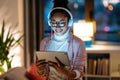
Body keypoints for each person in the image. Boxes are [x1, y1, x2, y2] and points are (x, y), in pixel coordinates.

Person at [28, 0, 86, 80]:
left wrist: (67, 73)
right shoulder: (44, 42)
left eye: (61, 23)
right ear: (49, 22)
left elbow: (79, 72)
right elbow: (44, 73)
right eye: (54, 23)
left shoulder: (78, 43)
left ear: (69, 22)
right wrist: (40, 70)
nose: (57, 27)